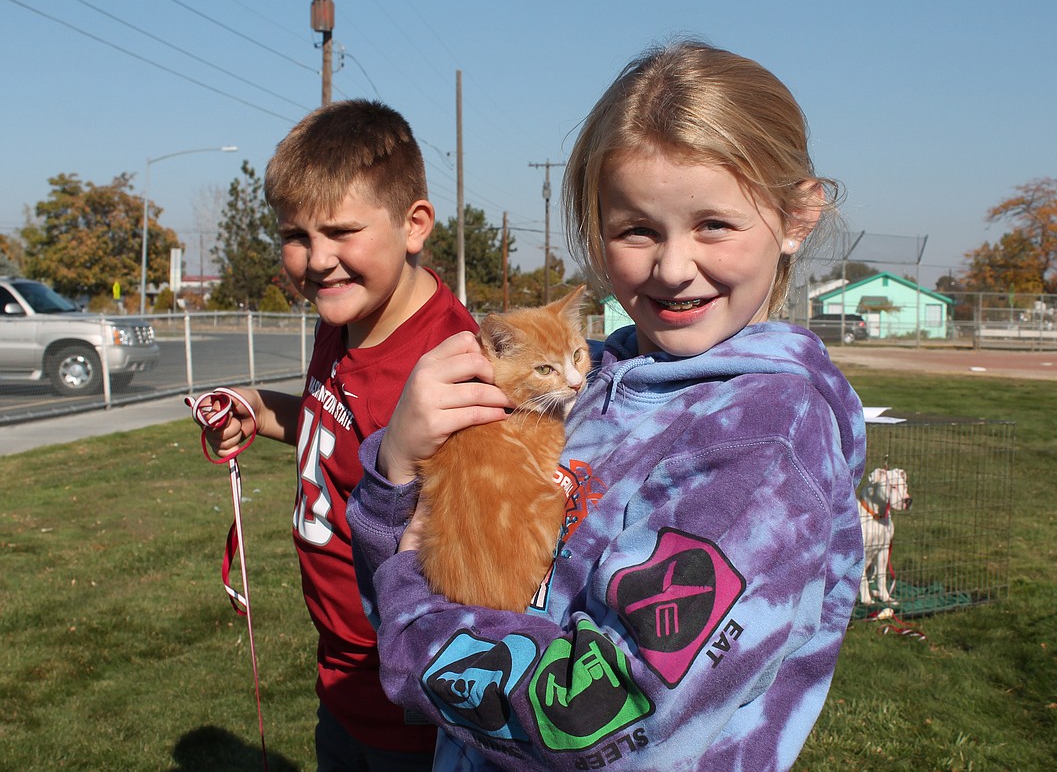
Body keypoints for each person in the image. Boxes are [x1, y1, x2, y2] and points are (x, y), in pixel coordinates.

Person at [347, 41, 867, 771]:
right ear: (598, 230)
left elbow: (596, 720)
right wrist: (396, 470)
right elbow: (425, 581)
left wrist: (412, 617)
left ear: (795, 217)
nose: (674, 266)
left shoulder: (764, 446)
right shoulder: (600, 378)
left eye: (713, 223)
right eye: (637, 230)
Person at [194, 99, 477, 771]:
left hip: (408, 696)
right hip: (341, 674)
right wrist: (262, 411)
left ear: (414, 225)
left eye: (342, 231)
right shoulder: (344, 314)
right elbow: (342, 432)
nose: (318, 261)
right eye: (297, 235)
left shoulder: (446, 365)